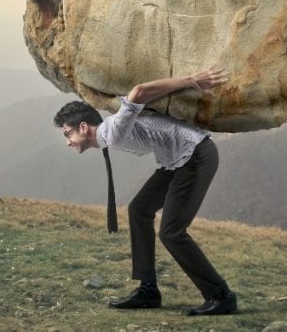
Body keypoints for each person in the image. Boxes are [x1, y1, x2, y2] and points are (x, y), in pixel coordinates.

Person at [53, 66, 237, 316]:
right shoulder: (110, 131)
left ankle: (220, 295)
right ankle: (148, 289)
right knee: (139, 210)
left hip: (196, 155)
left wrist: (192, 80)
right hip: (175, 161)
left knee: (171, 233)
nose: (67, 141)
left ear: (84, 127)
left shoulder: (113, 132)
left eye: (68, 133)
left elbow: (138, 92)